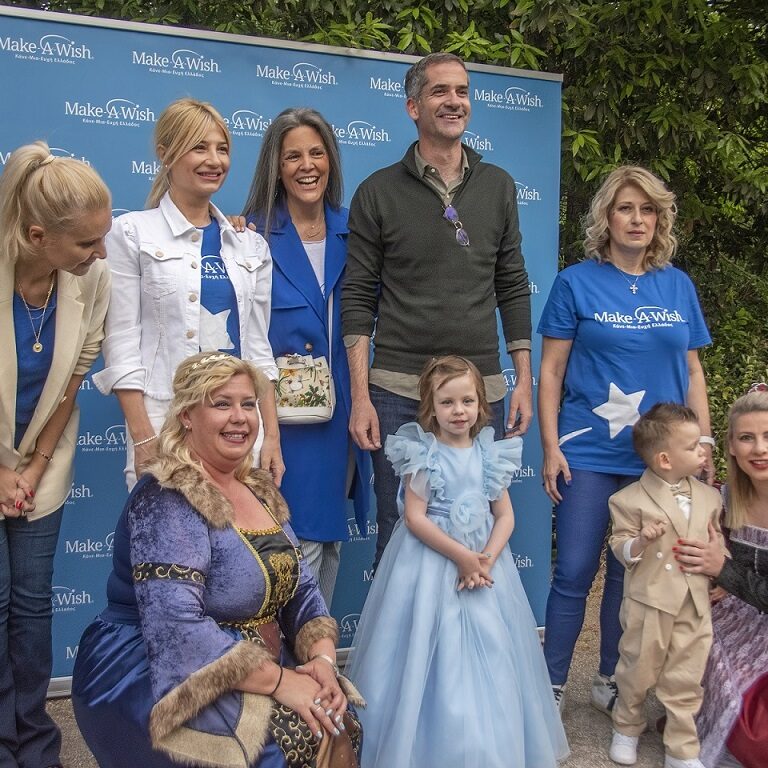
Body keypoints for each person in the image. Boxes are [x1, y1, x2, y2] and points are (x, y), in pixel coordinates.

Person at [72, 352, 363, 768]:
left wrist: (322, 660)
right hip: (153, 666)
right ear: (187, 415)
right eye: (222, 404)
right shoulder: (167, 497)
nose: (240, 417)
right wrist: (282, 682)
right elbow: (177, 628)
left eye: (248, 404)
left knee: (339, 722)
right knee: (280, 747)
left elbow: (302, 590)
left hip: (252, 657)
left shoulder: (259, 488)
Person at [341, 52, 533, 568]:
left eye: (462, 91)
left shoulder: (499, 185)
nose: (454, 101)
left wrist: (522, 381)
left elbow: (513, 284)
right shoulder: (377, 192)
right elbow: (358, 296)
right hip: (398, 392)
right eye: (440, 91)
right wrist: (361, 396)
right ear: (413, 107)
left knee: (476, 528)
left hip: (480, 392)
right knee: (398, 530)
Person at [538, 165, 715, 715]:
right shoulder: (575, 282)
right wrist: (550, 446)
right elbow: (551, 371)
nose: (637, 219)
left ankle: (611, 679)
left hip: (658, 460)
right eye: (625, 208)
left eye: (647, 210)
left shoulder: (678, 285)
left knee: (630, 571)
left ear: (659, 219)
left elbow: (693, 371)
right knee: (574, 570)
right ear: (606, 218)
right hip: (588, 451)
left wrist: (704, 445)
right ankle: (550, 687)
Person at [345, 356, 568, 768]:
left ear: (481, 403)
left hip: (485, 567)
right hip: (432, 563)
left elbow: (505, 516)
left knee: (493, 646)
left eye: (467, 401)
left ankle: (490, 744)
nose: (459, 411)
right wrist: (462, 557)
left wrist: (484, 560)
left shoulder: (489, 454)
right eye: (447, 402)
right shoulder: (422, 455)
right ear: (431, 407)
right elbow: (415, 518)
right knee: (427, 645)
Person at [93, 97, 283, 490]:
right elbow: (121, 345)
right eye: (199, 147)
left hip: (240, 432)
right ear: (165, 154)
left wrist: (271, 436)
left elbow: (258, 351)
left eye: (222, 149)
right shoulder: (131, 234)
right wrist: (143, 437)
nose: (214, 160)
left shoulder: (251, 246)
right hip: (164, 428)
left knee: (241, 530)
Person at [0, 141, 111, 768]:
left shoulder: (91, 278)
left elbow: (75, 376)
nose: (101, 253)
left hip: (39, 464)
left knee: (31, 604)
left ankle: (35, 742)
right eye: (87, 243)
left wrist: (35, 465)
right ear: (38, 236)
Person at [240, 107, 370, 607]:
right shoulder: (248, 235)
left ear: (331, 160)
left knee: (328, 541)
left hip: (342, 411)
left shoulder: (356, 230)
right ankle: (299, 647)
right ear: (276, 167)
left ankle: (311, 644)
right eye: (292, 156)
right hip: (280, 419)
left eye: (317, 153)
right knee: (291, 543)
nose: (307, 165)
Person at [607, 403, 724, 768]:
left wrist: (720, 569)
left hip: (694, 602)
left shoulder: (710, 497)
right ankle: (627, 726)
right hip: (650, 601)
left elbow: (716, 540)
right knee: (637, 669)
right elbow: (619, 547)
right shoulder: (628, 499)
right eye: (693, 446)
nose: (703, 451)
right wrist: (640, 541)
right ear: (665, 459)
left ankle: (681, 747)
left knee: (687, 677)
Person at [675, 387, 768, 768]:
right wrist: (711, 581)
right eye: (747, 437)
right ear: (730, 445)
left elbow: (721, 566)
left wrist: (724, 571)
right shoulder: (721, 500)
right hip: (731, 621)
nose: (759, 449)